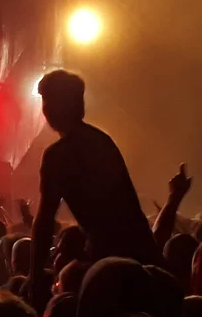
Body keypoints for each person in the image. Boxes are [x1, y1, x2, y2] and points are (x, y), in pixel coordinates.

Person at [30, 70, 160, 300]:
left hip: (110, 255)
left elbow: (45, 219)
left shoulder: (59, 155)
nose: (46, 108)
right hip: (141, 250)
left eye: (49, 100)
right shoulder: (102, 140)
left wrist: (35, 276)